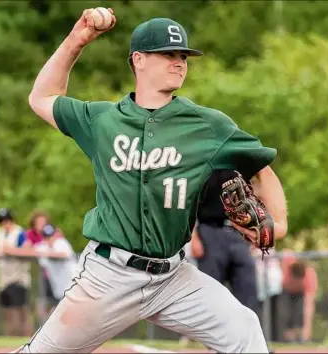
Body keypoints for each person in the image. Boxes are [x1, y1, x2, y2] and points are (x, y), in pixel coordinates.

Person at [15, 9, 288, 353]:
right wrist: (77, 40)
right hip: (108, 275)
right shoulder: (102, 120)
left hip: (173, 277)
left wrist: (279, 225)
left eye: (183, 56)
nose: (179, 62)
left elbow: (263, 168)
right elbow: (41, 98)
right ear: (139, 60)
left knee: (244, 329)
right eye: (168, 54)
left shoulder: (208, 126)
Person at [190, 170, 260, 315]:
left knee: (247, 285)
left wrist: (255, 229)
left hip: (238, 232)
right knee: (211, 289)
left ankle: (245, 333)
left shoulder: (241, 162)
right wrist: (193, 235)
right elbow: (190, 200)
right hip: (209, 230)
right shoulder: (206, 161)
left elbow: (255, 194)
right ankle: (208, 333)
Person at [0, 208, 34, 337]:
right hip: (4, 279)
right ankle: (10, 341)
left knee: (21, 312)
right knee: (8, 313)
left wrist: (11, 251)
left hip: (18, 278)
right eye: (2, 221)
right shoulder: (0, 233)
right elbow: (0, 251)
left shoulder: (19, 233)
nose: (5, 224)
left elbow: (28, 251)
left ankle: (27, 340)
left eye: (7, 220)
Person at [280, 252, 318, 343]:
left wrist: (307, 331)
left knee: (300, 313)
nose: (296, 282)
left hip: (301, 295)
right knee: (286, 314)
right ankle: (287, 336)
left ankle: (301, 337)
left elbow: (309, 306)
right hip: (286, 293)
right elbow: (285, 252)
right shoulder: (286, 269)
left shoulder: (310, 277)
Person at [253, 247, 284, 342]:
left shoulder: (267, 242)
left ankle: (275, 338)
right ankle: (260, 338)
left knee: (274, 314)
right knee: (259, 313)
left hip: (272, 285)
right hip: (258, 285)